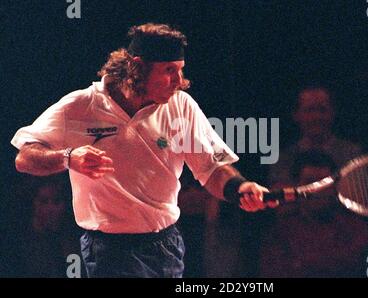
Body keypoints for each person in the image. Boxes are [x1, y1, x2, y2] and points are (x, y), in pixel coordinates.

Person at [11, 23, 275, 278]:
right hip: (109, 251)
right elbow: (24, 159)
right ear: (137, 67)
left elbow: (211, 168)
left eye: (181, 70)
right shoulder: (82, 105)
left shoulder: (181, 106)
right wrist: (68, 158)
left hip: (167, 245)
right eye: (170, 70)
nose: (179, 81)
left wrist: (240, 188)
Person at [260, 150, 368, 277]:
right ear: (297, 187)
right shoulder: (281, 232)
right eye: (309, 182)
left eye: (323, 183)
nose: (317, 191)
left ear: (335, 186)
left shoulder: (355, 228)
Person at [269, 85, 362, 188]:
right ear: (296, 115)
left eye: (322, 110)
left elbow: (358, 193)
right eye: (309, 110)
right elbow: (279, 197)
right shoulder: (283, 158)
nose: (316, 117)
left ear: (332, 112)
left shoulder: (352, 154)